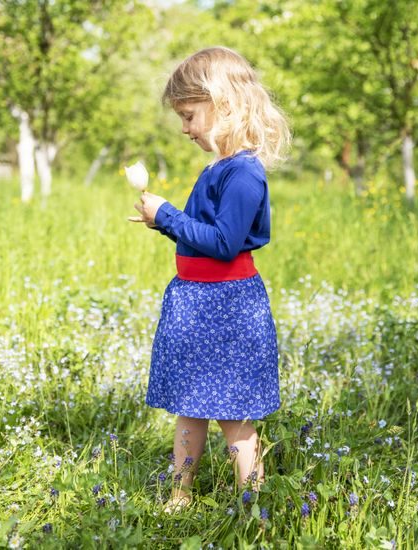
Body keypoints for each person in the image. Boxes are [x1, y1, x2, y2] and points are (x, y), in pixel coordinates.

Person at [128, 46, 290, 513]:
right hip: (197, 301)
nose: (184, 128)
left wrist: (170, 216)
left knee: (234, 414)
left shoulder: (243, 172)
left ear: (224, 103)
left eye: (188, 115)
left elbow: (223, 242)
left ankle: (254, 505)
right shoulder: (219, 167)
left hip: (226, 306)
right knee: (189, 403)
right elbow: (204, 239)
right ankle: (179, 494)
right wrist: (165, 223)